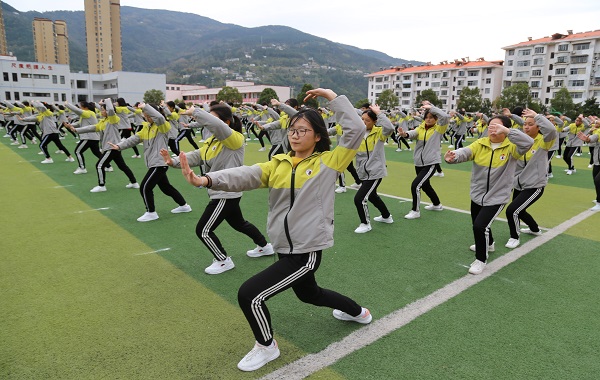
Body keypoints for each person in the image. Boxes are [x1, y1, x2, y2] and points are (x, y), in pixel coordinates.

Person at [176, 88, 372, 372]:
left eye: (303, 130)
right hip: (283, 245)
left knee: (250, 294)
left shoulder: (328, 162)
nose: (295, 134)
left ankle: (267, 347)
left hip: (305, 250)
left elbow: (354, 129)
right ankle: (359, 312)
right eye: (292, 129)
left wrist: (332, 97)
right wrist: (207, 180)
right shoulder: (277, 164)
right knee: (309, 294)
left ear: (318, 136)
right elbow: (244, 175)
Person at [161, 103, 273, 275]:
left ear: (226, 122)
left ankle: (223, 260)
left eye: (212, 118)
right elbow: (197, 155)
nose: (208, 123)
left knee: (203, 230)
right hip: (223, 191)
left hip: (225, 193)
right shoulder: (213, 141)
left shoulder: (235, 139)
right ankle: (265, 246)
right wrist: (173, 161)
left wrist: (197, 112)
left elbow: (216, 125)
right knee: (239, 223)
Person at [444, 115, 533, 275]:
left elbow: (528, 142)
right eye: (490, 126)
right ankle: (489, 243)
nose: (493, 129)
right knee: (476, 223)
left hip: (497, 197)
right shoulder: (481, 143)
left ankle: (481, 259)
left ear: (505, 129)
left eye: (497, 126)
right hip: (477, 193)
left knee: (480, 226)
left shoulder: (512, 147)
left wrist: (507, 131)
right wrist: (454, 156)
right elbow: (466, 152)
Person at [109, 103, 192, 222]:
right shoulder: (146, 128)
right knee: (166, 188)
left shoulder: (163, 126)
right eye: (145, 115)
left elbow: (159, 118)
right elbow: (134, 139)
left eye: (149, 115)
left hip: (160, 163)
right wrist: (119, 146)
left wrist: (145, 106)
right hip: (154, 163)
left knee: (145, 187)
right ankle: (184, 206)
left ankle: (151, 212)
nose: (147, 117)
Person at [504, 108, 557, 248]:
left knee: (512, 210)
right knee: (520, 210)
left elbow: (551, 130)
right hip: (519, 183)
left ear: (538, 126)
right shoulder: (520, 140)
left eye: (531, 124)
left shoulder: (544, 142)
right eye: (525, 124)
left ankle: (514, 237)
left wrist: (537, 115)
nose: (526, 126)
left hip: (535, 185)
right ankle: (535, 229)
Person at [66, 98, 139, 193]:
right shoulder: (103, 121)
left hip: (111, 147)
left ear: (107, 111)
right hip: (112, 147)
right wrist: (77, 130)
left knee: (99, 165)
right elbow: (93, 127)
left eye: (103, 109)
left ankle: (101, 185)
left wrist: (108, 101)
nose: (101, 111)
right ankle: (134, 183)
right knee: (122, 166)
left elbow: (112, 110)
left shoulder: (113, 119)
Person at [397, 101, 449, 219]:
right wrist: (404, 134)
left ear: (436, 119)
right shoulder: (421, 128)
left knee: (415, 185)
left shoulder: (439, 129)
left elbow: (445, 117)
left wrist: (432, 107)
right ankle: (437, 204)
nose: (429, 119)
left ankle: (415, 211)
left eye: (432, 117)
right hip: (419, 162)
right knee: (425, 186)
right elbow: (413, 133)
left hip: (431, 162)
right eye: (427, 117)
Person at [353, 104, 395, 233]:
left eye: (367, 120)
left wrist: (379, 113)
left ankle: (365, 224)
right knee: (372, 196)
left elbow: (390, 127)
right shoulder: (358, 134)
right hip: (363, 172)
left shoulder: (379, 133)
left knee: (359, 198)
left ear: (375, 121)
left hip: (375, 172)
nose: (364, 122)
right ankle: (387, 216)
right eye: (362, 119)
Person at [577, 123, 600, 211]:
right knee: (595, 179)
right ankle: (599, 197)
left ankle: (599, 202)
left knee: (598, 180)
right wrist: (587, 139)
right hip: (597, 161)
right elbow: (593, 138)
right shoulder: (598, 131)